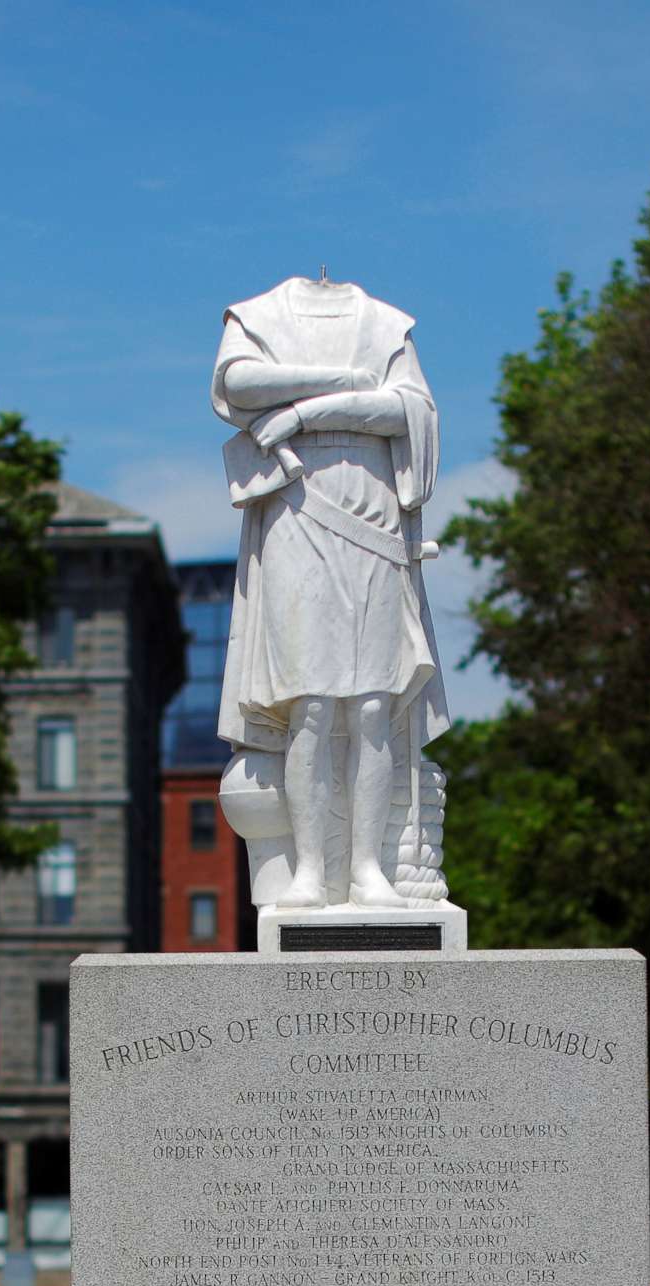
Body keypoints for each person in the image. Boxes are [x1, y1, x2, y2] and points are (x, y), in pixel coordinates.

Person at [211, 274, 450, 908]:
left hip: (371, 508)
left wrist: (304, 412)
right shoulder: (257, 313)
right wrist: (344, 382)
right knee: (309, 707)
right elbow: (236, 383)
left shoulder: (387, 323)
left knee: (373, 705)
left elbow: (410, 410)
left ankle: (368, 868)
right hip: (296, 507)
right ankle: (312, 870)